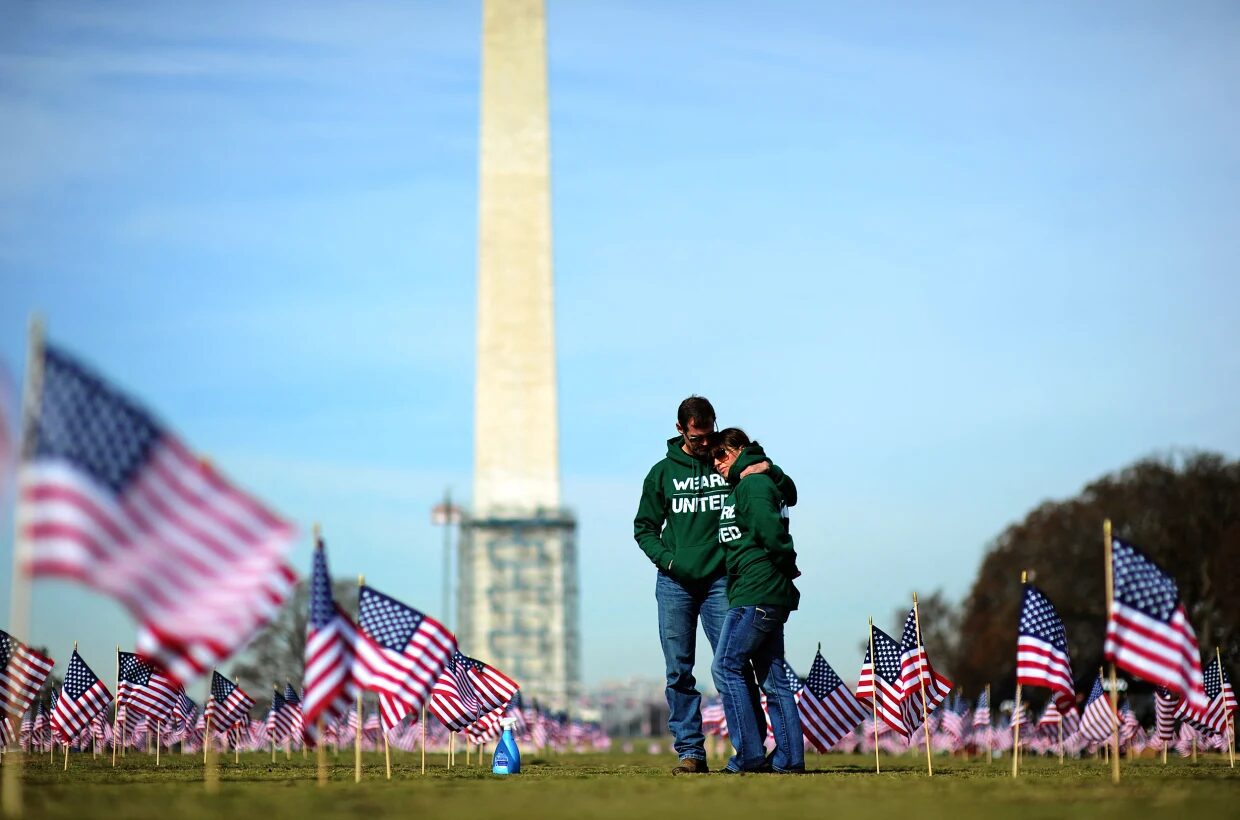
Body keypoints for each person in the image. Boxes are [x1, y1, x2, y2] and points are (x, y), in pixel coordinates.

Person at [633, 396, 797, 774]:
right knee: (679, 672)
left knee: (734, 667)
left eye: (708, 436)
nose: (704, 445)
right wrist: (669, 559)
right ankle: (690, 752)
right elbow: (643, 527)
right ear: (680, 430)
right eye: (696, 438)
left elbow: (783, 492)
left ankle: (750, 751)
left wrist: (767, 466)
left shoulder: (729, 463)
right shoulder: (661, 474)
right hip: (674, 583)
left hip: (723, 582)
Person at [708, 427, 804, 773]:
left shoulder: (753, 484)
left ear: (738, 450)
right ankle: (791, 758)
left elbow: (771, 531)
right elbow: (788, 494)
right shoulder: (748, 483)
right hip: (758, 591)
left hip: (756, 591)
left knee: (726, 665)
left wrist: (787, 564)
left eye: (722, 454)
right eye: (712, 457)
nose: (716, 462)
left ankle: (748, 754)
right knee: (773, 678)